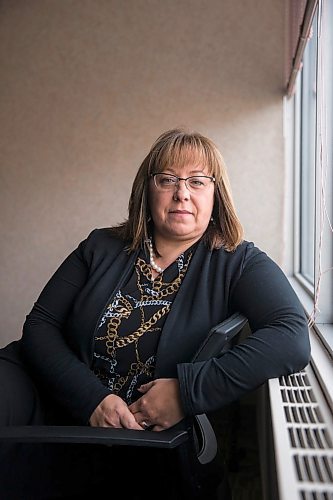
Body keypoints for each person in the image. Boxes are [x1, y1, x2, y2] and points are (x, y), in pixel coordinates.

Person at [0, 128, 310, 498]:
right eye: (168, 179)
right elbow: (40, 326)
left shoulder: (239, 262)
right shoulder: (101, 246)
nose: (182, 193)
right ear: (147, 189)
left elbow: (291, 337)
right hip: (51, 393)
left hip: (147, 437)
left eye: (197, 181)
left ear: (216, 195)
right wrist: (91, 399)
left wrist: (186, 393)